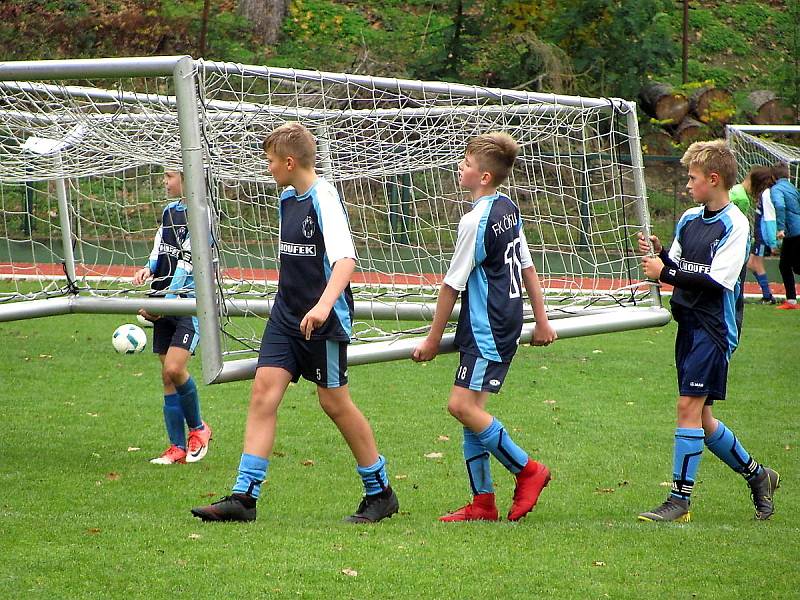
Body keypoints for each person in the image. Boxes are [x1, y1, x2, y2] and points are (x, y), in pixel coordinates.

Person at [191, 123, 399, 523]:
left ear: (289, 162)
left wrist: (321, 308)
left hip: (323, 321)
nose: (267, 168)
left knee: (334, 402)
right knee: (263, 394)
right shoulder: (287, 199)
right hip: (286, 318)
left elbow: (345, 262)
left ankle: (380, 491)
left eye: (270, 161)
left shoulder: (325, 198)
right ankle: (244, 497)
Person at [412, 132, 557, 522]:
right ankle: (483, 502)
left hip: (487, 326)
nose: (461, 167)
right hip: (503, 318)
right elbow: (526, 264)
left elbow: (450, 285)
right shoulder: (507, 207)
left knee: (460, 406)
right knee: (471, 410)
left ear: (485, 177)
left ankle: (528, 470)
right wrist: (540, 320)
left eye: (467, 163)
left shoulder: (475, 221)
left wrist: (430, 339)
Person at [637, 140, 779, 523]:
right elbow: (684, 265)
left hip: (715, 329)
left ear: (713, 180)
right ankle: (758, 475)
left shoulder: (735, 225)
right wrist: (663, 254)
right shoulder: (689, 219)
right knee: (702, 419)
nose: (687, 184)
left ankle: (679, 499)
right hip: (688, 324)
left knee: (687, 408)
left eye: (692, 178)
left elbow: (716, 280)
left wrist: (665, 273)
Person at [133, 170, 212, 465]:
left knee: (176, 368)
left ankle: (200, 429)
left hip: (188, 305)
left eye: (169, 176)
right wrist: (148, 269)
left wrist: (165, 304)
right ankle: (176, 447)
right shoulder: (170, 211)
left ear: (187, 177)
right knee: (167, 377)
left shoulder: (201, 214)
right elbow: (161, 249)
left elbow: (186, 265)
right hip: (163, 299)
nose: (165, 182)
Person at [745, 166, 777, 304]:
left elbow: (769, 219)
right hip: (758, 236)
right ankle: (767, 294)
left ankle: (767, 296)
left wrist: (772, 241)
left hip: (763, 237)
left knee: (756, 264)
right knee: (751, 264)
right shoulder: (763, 194)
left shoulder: (767, 195)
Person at [771, 162, 800, 310]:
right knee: (789, 266)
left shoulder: (776, 189)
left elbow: (780, 205)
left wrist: (780, 228)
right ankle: (791, 301)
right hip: (796, 230)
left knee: (789, 266)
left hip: (792, 232)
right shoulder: (792, 188)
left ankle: (791, 301)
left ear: (773, 176)